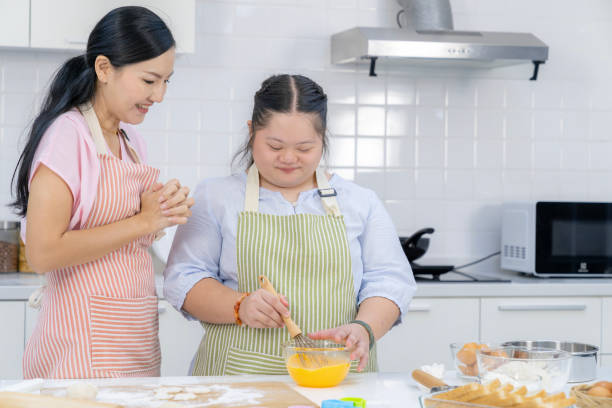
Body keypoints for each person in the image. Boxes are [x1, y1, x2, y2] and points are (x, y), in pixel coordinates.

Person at [164, 74, 416, 375]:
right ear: (251, 133)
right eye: (275, 146)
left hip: (335, 379)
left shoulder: (360, 202)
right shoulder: (217, 196)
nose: (288, 158)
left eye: (304, 148)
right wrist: (239, 305)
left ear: (323, 139)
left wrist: (365, 328)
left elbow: (389, 280)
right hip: (238, 379)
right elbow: (183, 279)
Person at [11, 6, 194, 379]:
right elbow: (44, 253)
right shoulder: (68, 135)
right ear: (104, 69)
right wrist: (144, 220)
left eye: (166, 82)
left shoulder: (130, 141)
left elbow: (127, 230)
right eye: (149, 80)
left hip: (132, 334)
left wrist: (159, 211)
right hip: (81, 341)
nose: (158, 95)